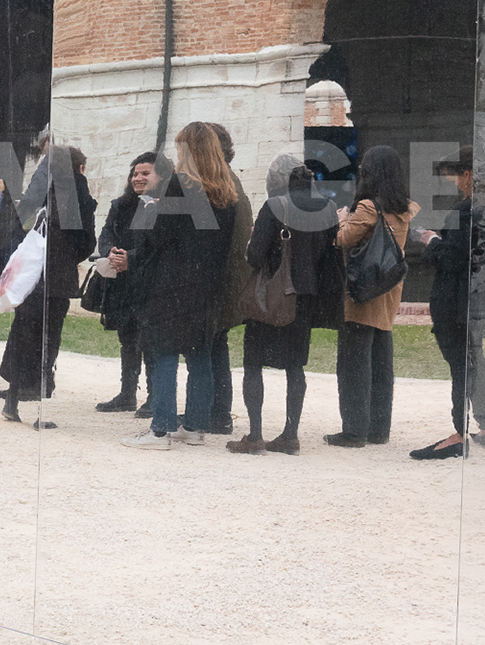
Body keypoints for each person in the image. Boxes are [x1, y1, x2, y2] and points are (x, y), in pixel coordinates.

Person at [117, 122, 239, 449]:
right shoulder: (227, 192)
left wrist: (153, 213)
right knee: (200, 357)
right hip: (207, 284)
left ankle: (162, 429)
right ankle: (195, 428)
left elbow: (159, 238)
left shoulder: (179, 185)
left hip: (172, 282)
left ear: (189, 150)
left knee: (164, 353)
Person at [227, 153, 337, 455]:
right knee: (295, 367)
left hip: (271, 297)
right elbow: (328, 255)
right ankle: (290, 434)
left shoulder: (275, 206)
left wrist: (254, 243)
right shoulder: (327, 207)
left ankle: (255, 435)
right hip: (305, 299)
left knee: (253, 364)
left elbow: (255, 256)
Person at [410, 147, 485, 459]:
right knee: (475, 359)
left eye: (455, 175)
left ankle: (459, 432)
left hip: (458, 300)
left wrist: (431, 240)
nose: (454, 182)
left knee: (461, 364)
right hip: (484, 298)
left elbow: (454, 259)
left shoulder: (467, 209)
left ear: (467, 174)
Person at [0, 145, 97, 425]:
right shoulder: (79, 194)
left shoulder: (37, 195)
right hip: (57, 279)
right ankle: (40, 409)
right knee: (48, 341)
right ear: (78, 168)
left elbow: (18, 233)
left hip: (31, 277)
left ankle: (13, 397)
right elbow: (86, 243)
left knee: (23, 335)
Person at [330, 145, 416, 448]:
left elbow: (342, 239)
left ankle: (354, 430)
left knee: (354, 362)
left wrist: (340, 217)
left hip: (362, 289)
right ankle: (379, 428)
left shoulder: (368, 207)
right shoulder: (403, 207)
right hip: (387, 289)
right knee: (381, 362)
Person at [93, 151, 159, 415]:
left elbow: (156, 244)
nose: (138, 178)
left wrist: (129, 258)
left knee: (150, 340)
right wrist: (111, 252)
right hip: (122, 281)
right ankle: (127, 394)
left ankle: (155, 397)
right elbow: (106, 232)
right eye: (135, 173)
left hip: (149, 280)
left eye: (145, 173)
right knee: (127, 337)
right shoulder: (121, 205)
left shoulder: (163, 206)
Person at [206, 123, 254, 435]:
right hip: (225, 278)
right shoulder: (228, 181)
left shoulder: (219, 185)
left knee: (212, 345)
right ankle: (215, 410)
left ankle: (217, 413)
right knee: (214, 345)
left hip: (218, 280)